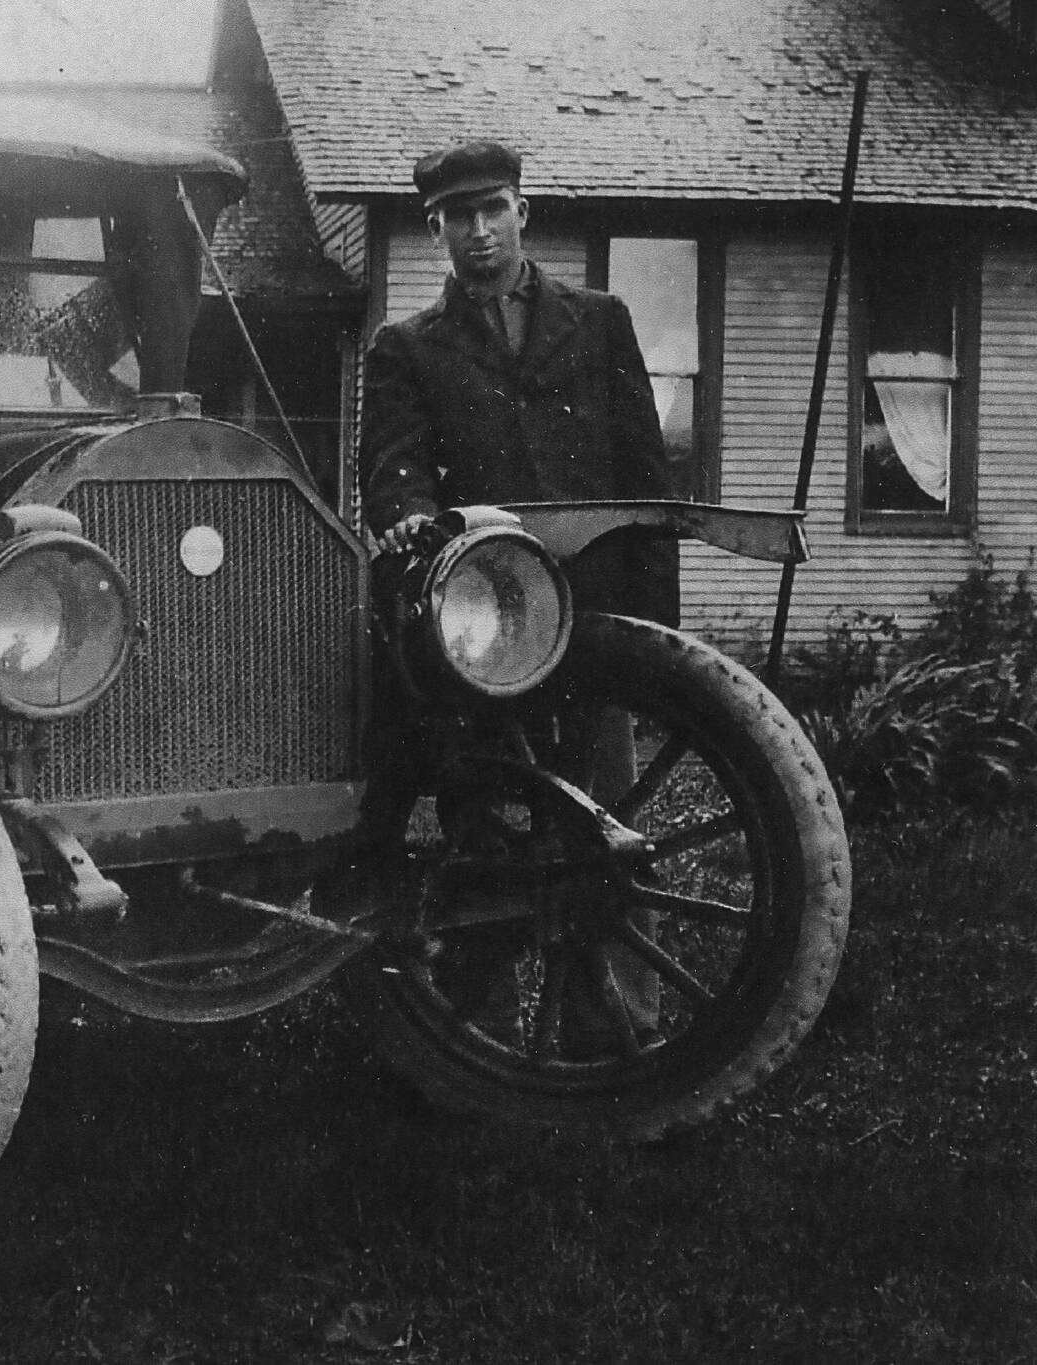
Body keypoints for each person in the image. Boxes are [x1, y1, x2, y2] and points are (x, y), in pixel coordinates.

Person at [357, 139, 676, 1045]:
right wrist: (413, 518)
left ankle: (613, 1030)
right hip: (481, 628)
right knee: (488, 830)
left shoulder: (601, 321)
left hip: (595, 627)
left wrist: (654, 647)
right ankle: (482, 1035)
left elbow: (646, 483)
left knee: (603, 828)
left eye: (493, 208)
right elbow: (392, 474)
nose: (480, 230)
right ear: (437, 230)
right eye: (459, 216)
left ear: (523, 212)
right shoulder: (406, 347)